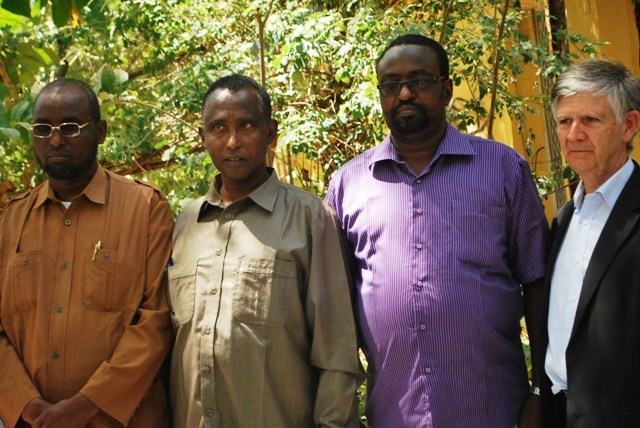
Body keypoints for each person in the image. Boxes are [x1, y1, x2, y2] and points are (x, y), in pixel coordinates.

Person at [325, 34, 549, 427]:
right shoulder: (348, 184)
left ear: (446, 89)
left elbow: (538, 282)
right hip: (394, 413)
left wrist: (541, 391)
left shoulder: (503, 169)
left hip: (493, 410)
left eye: (420, 80)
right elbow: (334, 304)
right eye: (391, 85)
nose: (405, 93)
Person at [168, 74, 362, 427]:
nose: (232, 142)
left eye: (246, 126)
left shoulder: (310, 218)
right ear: (202, 137)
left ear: (270, 132)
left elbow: (337, 355)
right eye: (218, 128)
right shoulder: (186, 223)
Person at [0, 78, 174, 427]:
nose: (55, 140)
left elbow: (156, 321)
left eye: (70, 127)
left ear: (100, 131)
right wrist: (29, 407)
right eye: (42, 128)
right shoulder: (12, 220)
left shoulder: (145, 208)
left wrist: (84, 406)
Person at [538, 59, 640, 427]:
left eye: (590, 120)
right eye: (564, 121)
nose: (574, 134)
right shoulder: (564, 218)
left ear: (628, 125)